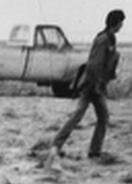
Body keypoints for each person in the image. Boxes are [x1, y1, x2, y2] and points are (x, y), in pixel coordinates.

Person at [52, 9, 125, 162]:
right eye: (121, 22)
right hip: (92, 85)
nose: (122, 25)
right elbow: (94, 65)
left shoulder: (109, 39)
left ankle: (92, 151)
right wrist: (96, 85)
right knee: (83, 116)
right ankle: (59, 146)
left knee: (98, 117)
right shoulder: (103, 39)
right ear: (116, 23)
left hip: (96, 86)